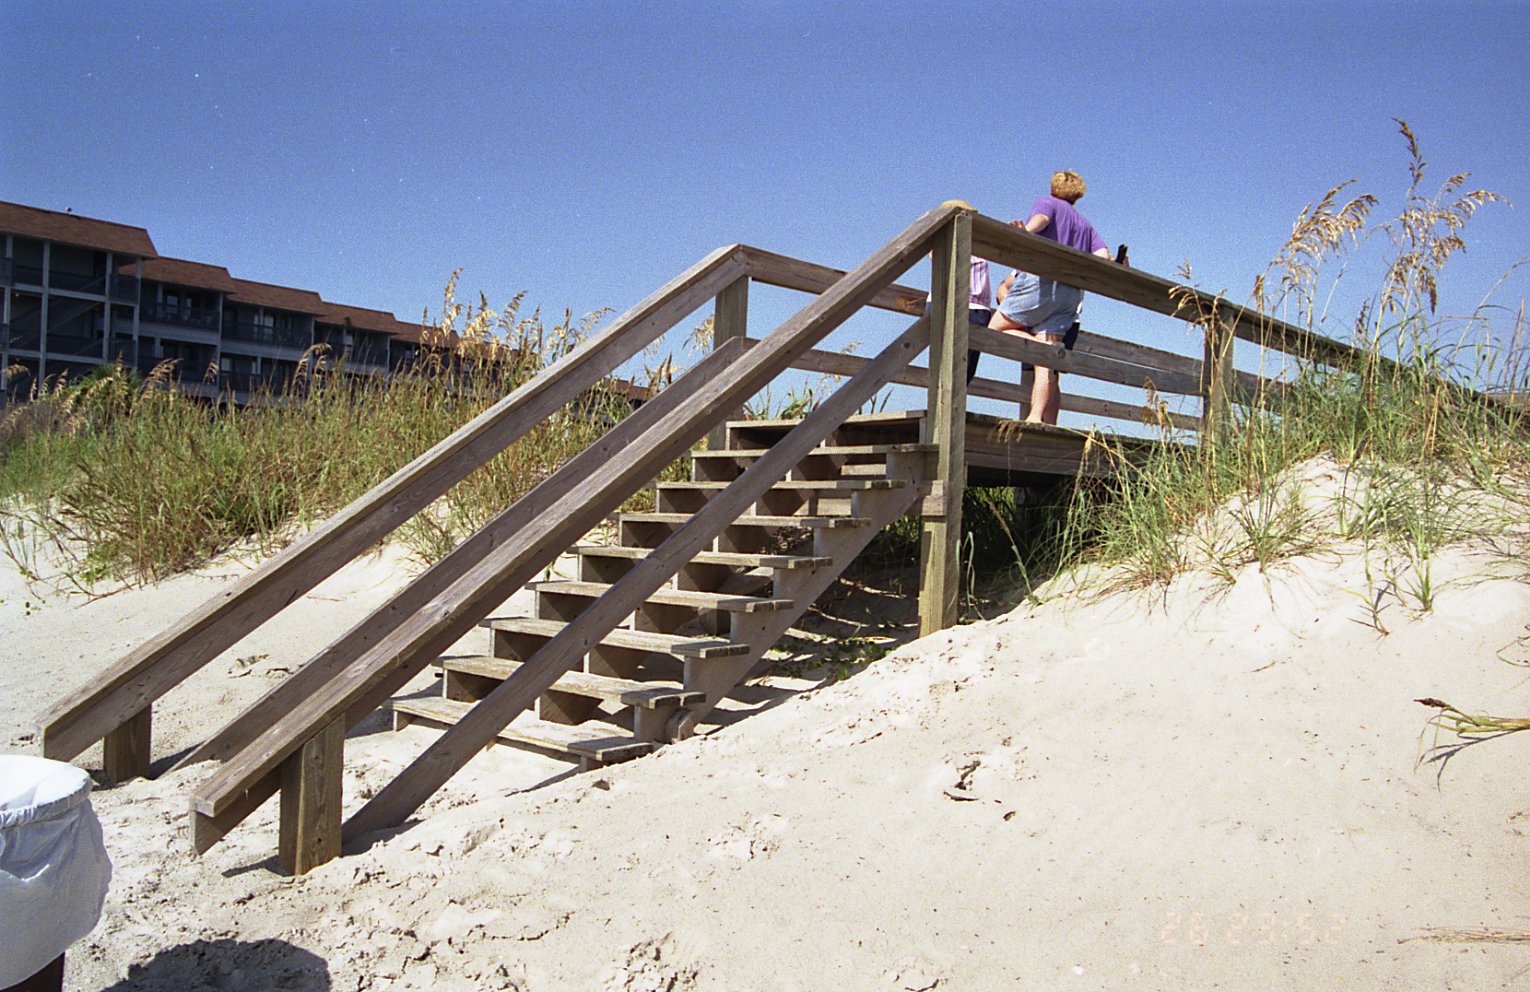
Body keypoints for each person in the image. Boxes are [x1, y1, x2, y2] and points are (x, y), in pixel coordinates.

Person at [989, 170, 1111, 424]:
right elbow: (1103, 256)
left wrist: (1025, 231)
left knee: (994, 329)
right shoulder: (1085, 224)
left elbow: (1041, 220)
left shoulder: (1047, 202)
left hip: (1041, 282)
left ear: (1053, 187)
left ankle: (1037, 352)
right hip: (1071, 293)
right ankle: (1040, 418)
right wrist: (1118, 262)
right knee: (1047, 360)